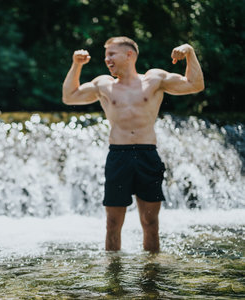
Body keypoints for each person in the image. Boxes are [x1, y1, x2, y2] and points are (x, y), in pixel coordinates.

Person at [62, 36, 204, 253]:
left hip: (147, 154)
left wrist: (190, 52)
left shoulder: (155, 79)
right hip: (118, 156)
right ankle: (114, 279)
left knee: (151, 224)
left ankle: (151, 278)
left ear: (129, 55)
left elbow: (195, 84)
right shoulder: (104, 84)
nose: (106, 59)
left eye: (111, 54)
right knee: (112, 225)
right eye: (105, 55)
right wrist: (76, 65)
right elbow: (69, 97)